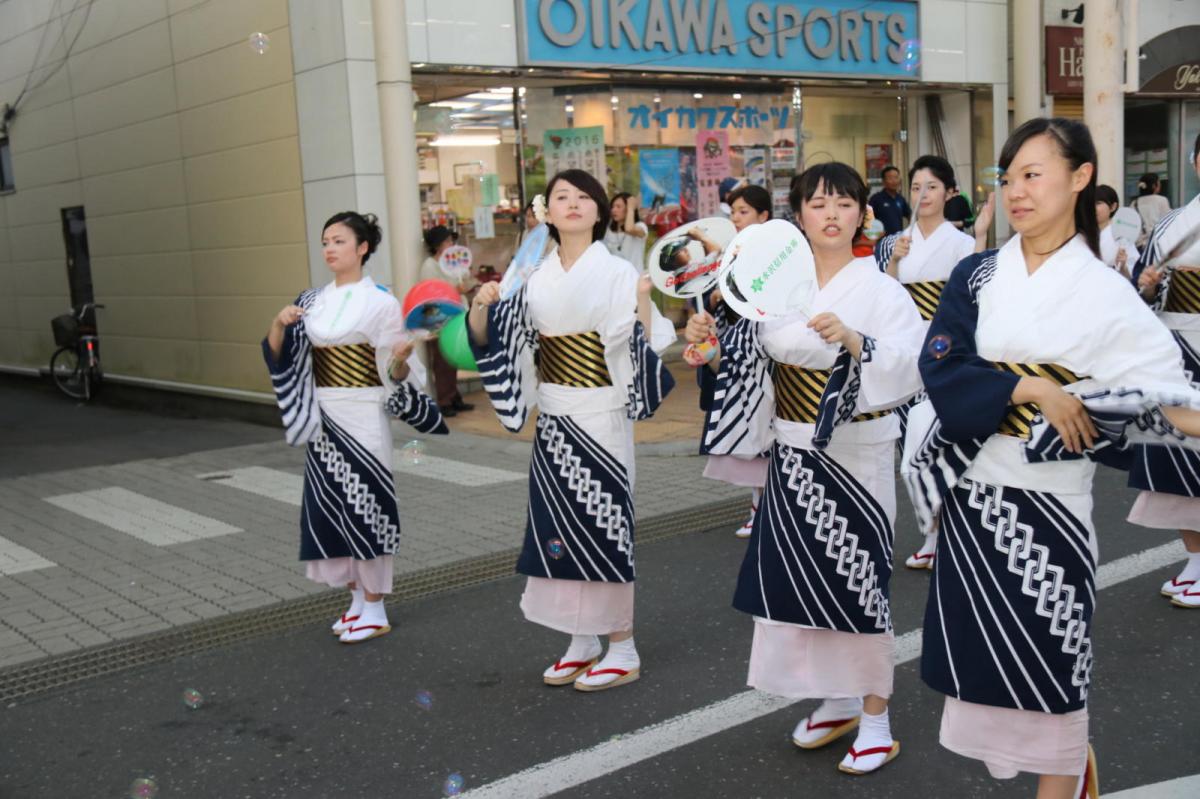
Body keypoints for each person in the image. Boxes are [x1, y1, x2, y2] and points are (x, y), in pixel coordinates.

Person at [907, 118, 1200, 798]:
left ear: (1080, 178)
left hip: (1053, 511)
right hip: (976, 500)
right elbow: (941, 368)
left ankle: (1065, 777)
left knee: (1056, 665)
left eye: (1033, 174)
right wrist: (1032, 387)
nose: (1016, 191)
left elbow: (1170, 396)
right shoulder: (978, 273)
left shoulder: (1105, 290)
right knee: (985, 667)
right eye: (1008, 177)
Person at [690, 162, 924, 776]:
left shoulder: (883, 292)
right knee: (802, 586)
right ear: (797, 215)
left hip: (857, 455)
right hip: (792, 453)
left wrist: (853, 339)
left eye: (844, 203)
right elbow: (743, 364)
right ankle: (838, 698)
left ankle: (877, 720)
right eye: (817, 204)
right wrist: (708, 339)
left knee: (859, 584)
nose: (831, 214)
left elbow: (911, 366)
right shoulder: (771, 289)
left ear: (862, 214)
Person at [467, 169, 676, 692]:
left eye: (585, 196)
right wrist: (481, 305)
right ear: (548, 212)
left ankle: (622, 645)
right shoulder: (532, 275)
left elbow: (645, 342)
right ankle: (580, 640)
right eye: (562, 196)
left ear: (600, 210)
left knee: (604, 525)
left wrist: (644, 300)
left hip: (601, 414)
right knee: (557, 528)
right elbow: (498, 340)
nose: (574, 204)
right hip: (555, 416)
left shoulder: (617, 271)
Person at [263, 211, 448, 644]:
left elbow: (397, 374)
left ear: (363, 248)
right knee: (330, 506)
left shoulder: (381, 302)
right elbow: (280, 357)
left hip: (363, 413)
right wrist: (278, 323)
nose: (329, 248)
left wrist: (400, 360)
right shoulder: (311, 301)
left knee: (366, 504)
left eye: (340, 241)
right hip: (322, 415)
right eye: (325, 241)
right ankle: (356, 601)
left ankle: (375, 605)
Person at [874, 154, 993, 569]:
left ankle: (945, 531)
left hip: (946, 351)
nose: (922, 194)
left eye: (932, 187)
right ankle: (932, 529)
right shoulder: (895, 242)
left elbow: (975, 293)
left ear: (949, 193)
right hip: (906, 349)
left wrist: (980, 236)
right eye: (916, 187)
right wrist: (893, 261)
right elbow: (884, 301)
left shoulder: (960, 243)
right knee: (910, 442)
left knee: (940, 439)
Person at [1128, 132, 1200, 608]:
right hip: (1178, 353)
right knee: (1176, 460)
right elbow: (1145, 293)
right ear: (1195, 161)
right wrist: (1150, 285)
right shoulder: (1172, 224)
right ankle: (1196, 557)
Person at [697, 184, 772, 538]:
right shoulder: (732, 254)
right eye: (734, 212)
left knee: (765, 431)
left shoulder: (775, 253)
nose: (737, 218)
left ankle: (769, 505)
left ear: (764, 216)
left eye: (744, 211)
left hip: (768, 353)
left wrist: (732, 294)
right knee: (746, 430)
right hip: (740, 355)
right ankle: (757, 503)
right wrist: (719, 301)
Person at [419, 225, 474, 417]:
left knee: (451, 358)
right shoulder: (430, 265)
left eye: (452, 240)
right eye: (448, 241)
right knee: (442, 361)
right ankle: (444, 400)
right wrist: (455, 289)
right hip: (440, 318)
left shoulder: (452, 263)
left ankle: (453, 396)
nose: (452, 244)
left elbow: (464, 280)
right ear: (438, 245)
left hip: (456, 316)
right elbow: (432, 292)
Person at [1095, 184, 1139, 277]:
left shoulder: (1121, 234)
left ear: (1113, 207)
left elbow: (1134, 272)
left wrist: (1123, 266)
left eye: (1098, 203)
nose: (1092, 208)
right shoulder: (1082, 235)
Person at [604, 192, 649, 272]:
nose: (614, 210)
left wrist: (631, 208)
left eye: (618, 207)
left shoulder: (641, 226)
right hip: (614, 276)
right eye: (612, 207)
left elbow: (629, 229)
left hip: (634, 276)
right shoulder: (608, 230)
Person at [1131, 172, 1172, 248]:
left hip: (1139, 246)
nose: (1160, 186)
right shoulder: (1162, 200)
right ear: (1154, 186)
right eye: (1159, 183)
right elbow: (1167, 223)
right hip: (1156, 245)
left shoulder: (1134, 203)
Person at [868, 165, 912, 235]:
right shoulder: (876, 199)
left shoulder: (900, 199)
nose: (894, 181)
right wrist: (874, 234)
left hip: (898, 238)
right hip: (881, 239)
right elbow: (867, 219)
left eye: (896, 177)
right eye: (890, 178)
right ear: (884, 181)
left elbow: (910, 215)